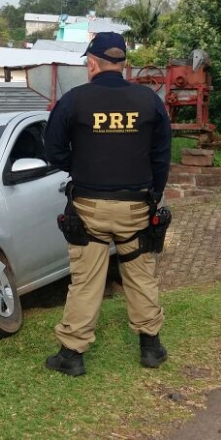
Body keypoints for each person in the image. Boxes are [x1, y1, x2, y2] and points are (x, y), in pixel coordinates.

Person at [43, 31, 172, 376]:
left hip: (89, 209)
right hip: (135, 208)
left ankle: (72, 355)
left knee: (86, 280)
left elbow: (52, 150)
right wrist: (154, 194)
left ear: (93, 62)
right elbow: (162, 156)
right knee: (141, 275)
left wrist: (83, 164)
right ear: (124, 63)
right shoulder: (149, 101)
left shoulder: (73, 100)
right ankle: (151, 348)